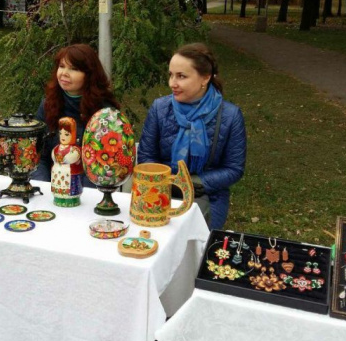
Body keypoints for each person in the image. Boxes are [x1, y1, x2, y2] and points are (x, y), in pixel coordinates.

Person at [137, 43, 246, 230]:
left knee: (196, 244)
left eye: (181, 76)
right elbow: (147, 157)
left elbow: (234, 168)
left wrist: (196, 183)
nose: (172, 83)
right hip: (160, 191)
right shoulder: (159, 109)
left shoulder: (230, 116)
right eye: (171, 75)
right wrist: (168, 183)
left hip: (208, 195)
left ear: (205, 78)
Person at [33, 44, 121, 186]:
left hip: (89, 194)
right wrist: (44, 188)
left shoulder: (105, 114)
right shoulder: (47, 105)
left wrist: (79, 196)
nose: (64, 73)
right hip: (51, 190)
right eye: (61, 66)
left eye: (74, 69)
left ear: (89, 75)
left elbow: (104, 168)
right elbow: (38, 156)